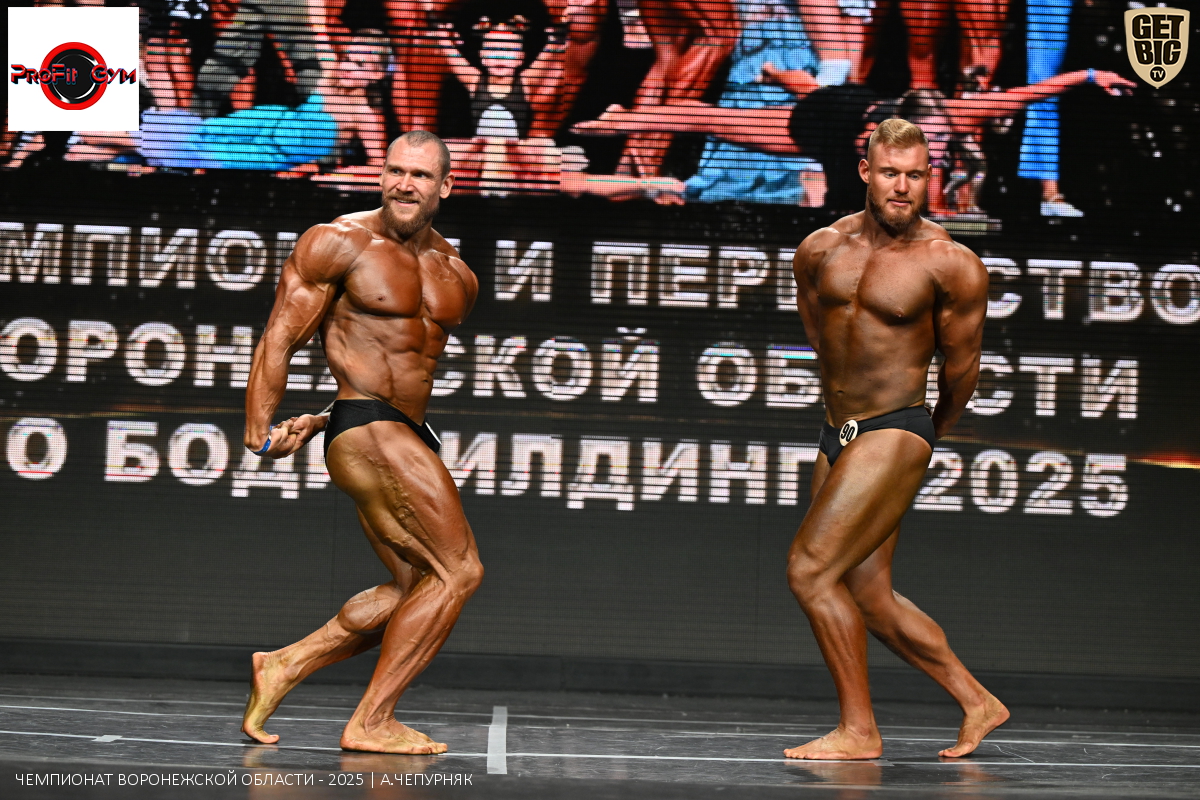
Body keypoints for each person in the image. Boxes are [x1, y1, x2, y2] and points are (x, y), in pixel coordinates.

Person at [239, 130, 483, 754]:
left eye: (420, 175)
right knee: (459, 571)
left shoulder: (457, 273)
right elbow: (280, 336)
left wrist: (322, 418)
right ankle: (372, 721)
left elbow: (398, 367)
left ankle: (286, 663)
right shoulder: (339, 241)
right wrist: (260, 432)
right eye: (396, 171)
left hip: (394, 429)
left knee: (416, 588)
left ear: (445, 186)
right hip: (371, 431)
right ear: (381, 176)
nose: (405, 184)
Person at [782, 117, 1002, 760]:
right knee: (869, 596)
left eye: (914, 176)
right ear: (866, 172)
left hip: (897, 427)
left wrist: (921, 434)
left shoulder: (950, 264)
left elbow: (962, 370)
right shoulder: (819, 248)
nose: (901, 187)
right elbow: (820, 333)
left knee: (809, 571)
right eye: (889, 174)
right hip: (837, 432)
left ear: (929, 178)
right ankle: (977, 701)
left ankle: (859, 731)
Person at [572, 67, 1133, 211]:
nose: (942, 151)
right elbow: (700, 117)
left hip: (850, 100)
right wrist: (616, 125)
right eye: (934, 143)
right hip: (822, 120)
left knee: (813, 88)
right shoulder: (859, 139)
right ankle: (623, 117)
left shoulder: (953, 115)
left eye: (943, 141)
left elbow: (1025, 94)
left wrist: (1088, 76)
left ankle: (787, 77)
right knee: (712, 119)